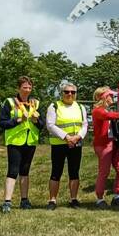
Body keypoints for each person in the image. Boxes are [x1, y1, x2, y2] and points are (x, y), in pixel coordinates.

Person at [1, 76, 44, 212]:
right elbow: (2, 123)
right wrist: (18, 120)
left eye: (29, 87)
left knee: (25, 171)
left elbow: (42, 125)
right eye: (24, 87)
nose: (27, 90)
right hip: (14, 141)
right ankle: (7, 202)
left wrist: (36, 121)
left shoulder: (35, 103)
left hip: (30, 141)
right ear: (18, 88)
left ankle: (24, 200)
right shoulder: (9, 102)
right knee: (13, 171)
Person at [45, 81, 88, 210]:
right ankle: (52, 200)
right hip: (59, 144)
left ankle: (73, 199)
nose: (70, 94)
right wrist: (66, 137)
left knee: (74, 172)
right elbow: (50, 125)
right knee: (56, 172)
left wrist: (78, 137)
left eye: (73, 92)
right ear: (62, 93)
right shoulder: (54, 106)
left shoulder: (80, 107)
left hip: (76, 143)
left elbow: (85, 124)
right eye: (67, 92)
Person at [90, 86, 119, 208]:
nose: (113, 97)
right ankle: (100, 198)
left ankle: (117, 194)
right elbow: (110, 116)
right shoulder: (98, 110)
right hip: (103, 145)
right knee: (104, 171)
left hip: (113, 144)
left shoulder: (107, 110)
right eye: (110, 95)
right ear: (104, 97)